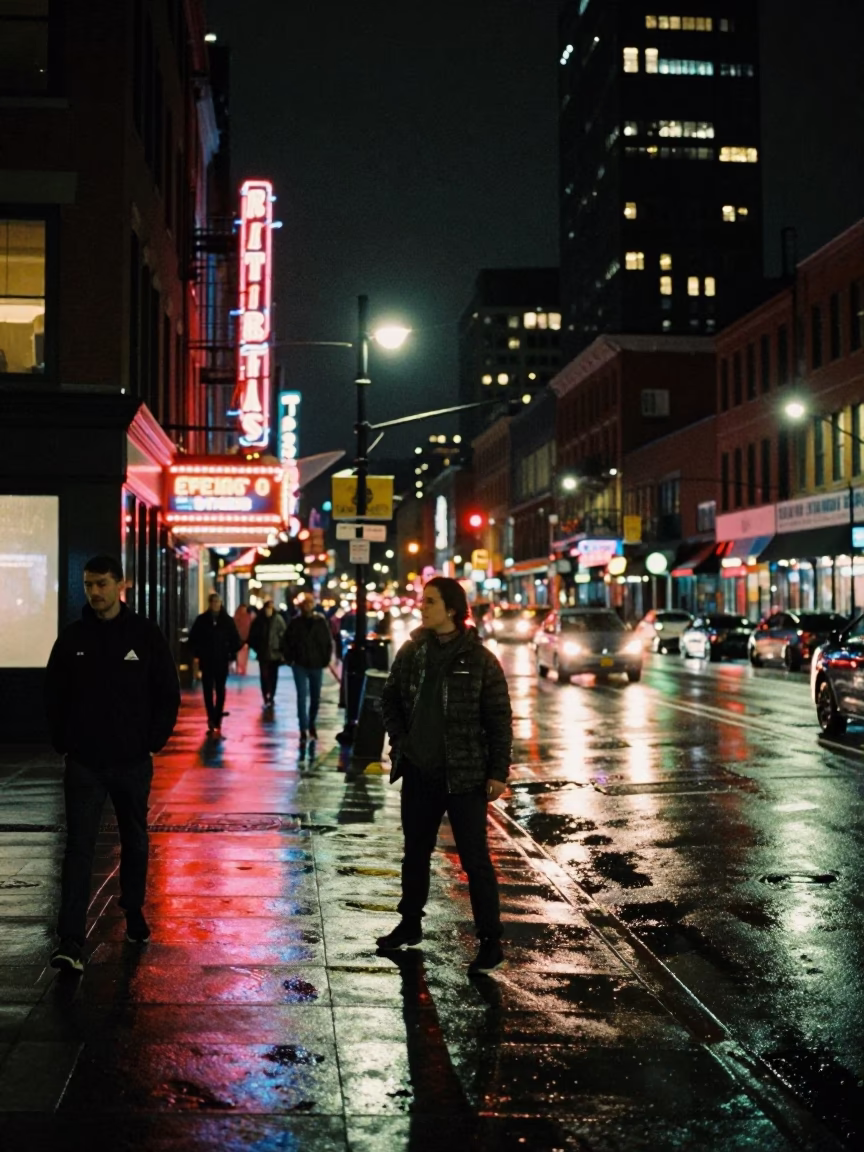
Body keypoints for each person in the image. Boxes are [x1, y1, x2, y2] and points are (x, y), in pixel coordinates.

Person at [44, 556, 180, 972]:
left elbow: (167, 692)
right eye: (88, 585)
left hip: (130, 761)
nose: (94, 592)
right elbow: (54, 694)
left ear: (121, 584)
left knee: (134, 840)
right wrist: (64, 743)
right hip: (84, 762)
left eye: (101, 583)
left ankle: (133, 911)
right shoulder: (73, 638)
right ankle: (70, 940)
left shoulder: (144, 634)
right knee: (78, 849)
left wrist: (151, 743)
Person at [379, 576, 512, 976]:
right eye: (423, 600)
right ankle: (410, 923)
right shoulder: (413, 651)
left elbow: (498, 719)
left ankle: (490, 941)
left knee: (476, 861)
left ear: (452, 609)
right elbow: (389, 699)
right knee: (414, 854)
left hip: (465, 775)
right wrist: (402, 741)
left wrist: (498, 772)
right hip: (420, 771)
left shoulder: (480, 658)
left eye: (430, 601)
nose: (423, 607)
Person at [188, 592, 242, 736]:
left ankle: (217, 717)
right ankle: (211, 717)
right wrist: (198, 654)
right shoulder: (202, 620)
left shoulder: (227, 621)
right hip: (207, 660)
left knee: (220, 689)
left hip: (221, 660)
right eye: (213, 602)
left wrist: (230, 653)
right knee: (207, 690)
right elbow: (193, 640)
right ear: (210, 603)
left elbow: (236, 640)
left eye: (218, 602)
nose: (216, 605)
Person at [283, 590, 333, 741]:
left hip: (316, 664)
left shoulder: (320, 622)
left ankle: (311, 723)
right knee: (301, 696)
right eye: (305, 604)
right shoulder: (295, 623)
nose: (308, 606)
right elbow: (287, 642)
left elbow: (327, 643)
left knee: (315, 697)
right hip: (300, 664)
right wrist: (289, 659)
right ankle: (303, 728)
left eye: (310, 603)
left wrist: (325, 660)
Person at [248, 599, 287, 707]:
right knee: (264, 676)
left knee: (273, 676)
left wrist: (281, 648)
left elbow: (284, 635)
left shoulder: (278, 619)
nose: (268, 610)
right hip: (263, 653)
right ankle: (266, 695)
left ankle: (272, 695)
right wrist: (257, 647)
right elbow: (252, 636)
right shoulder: (259, 621)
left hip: (275, 654)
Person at [233, 603, 252, 675]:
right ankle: (240, 667)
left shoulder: (247, 616)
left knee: (243, 654)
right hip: (239, 638)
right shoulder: (239, 616)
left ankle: (242, 668)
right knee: (240, 654)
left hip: (245, 639)